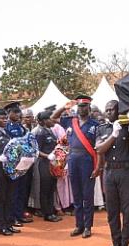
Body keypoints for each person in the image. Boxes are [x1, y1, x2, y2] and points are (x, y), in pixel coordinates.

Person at [52, 95, 99, 238]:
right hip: (73, 160)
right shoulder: (70, 121)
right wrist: (64, 107)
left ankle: (88, 226)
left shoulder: (95, 125)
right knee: (77, 195)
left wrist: (98, 167)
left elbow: (98, 148)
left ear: (89, 108)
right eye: (79, 106)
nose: (82, 109)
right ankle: (79, 225)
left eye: (84, 106)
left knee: (87, 195)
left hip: (87, 160)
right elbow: (53, 118)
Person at [95, 100, 129, 246]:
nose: (109, 112)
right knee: (112, 211)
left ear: (119, 111)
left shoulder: (127, 127)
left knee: (126, 210)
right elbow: (99, 149)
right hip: (110, 172)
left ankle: (125, 245)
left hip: (126, 172)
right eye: (107, 110)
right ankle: (115, 243)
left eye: (112, 110)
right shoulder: (102, 129)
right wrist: (114, 135)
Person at [34, 110, 62, 222]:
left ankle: (51, 211)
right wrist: (47, 156)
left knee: (51, 188)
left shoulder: (49, 131)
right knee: (45, 189)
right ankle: (47, 213)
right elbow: (36, 150)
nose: (53, 120)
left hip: (52, 163)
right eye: (51, 118)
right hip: (44, 163)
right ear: (45, 121)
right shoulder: (40, 132)